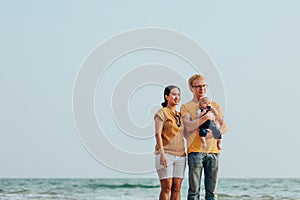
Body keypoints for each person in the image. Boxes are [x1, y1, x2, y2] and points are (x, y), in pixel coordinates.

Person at [180, 74, 227, 200]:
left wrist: (210, 135)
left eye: (203, 86)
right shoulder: (185, 107)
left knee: (212, 192)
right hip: (195, 151)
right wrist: (206, 117)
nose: (201, 89)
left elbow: (224, 126)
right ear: (191, 88)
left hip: (214, 152)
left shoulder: (214, 105)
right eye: (198, 86)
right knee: (194, 191)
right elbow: (188, 127)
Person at [154, 85, 186, 200]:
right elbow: (157, 134)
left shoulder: (180, 115)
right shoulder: (162, 112)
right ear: (166, 97)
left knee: (177, 188)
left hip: (181, 156)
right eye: (173, 94)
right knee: (167, 187)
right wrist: (162, 153)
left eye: (178, 94)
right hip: (165, 154)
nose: (176, 97)